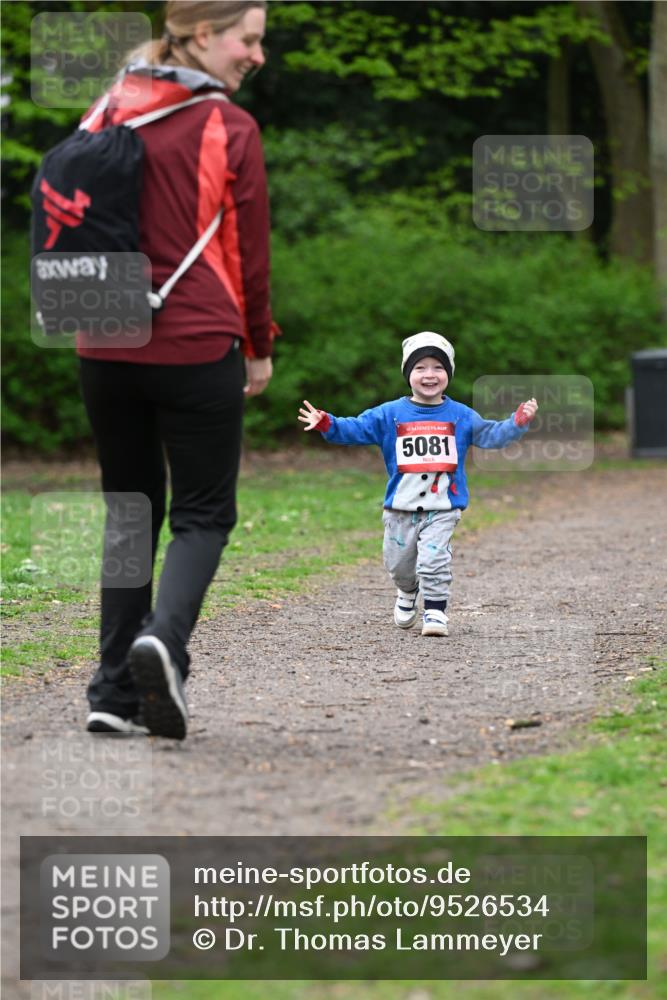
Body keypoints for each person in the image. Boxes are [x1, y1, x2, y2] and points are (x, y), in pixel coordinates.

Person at [80, 1, 278, 740]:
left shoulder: (108, 108)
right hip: (194, 341)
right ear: (202, 36)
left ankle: (110, 692)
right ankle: (162, 641)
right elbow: (250, 256)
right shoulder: (229, 127)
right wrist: (257, 344)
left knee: (130, 513)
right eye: (247, 40)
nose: (255, 56)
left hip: (101, 341)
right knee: (202, 513)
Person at [298, 332, 538, 637]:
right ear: (407, 373)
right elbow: (356, 428)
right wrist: (327, 423)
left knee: (433, 559)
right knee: (398, 565)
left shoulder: (461, 415)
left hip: (442, 506)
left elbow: (490, 435)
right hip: (400, 506)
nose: (429, 375)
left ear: (448, 374)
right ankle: (407, 591)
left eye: (438, 367)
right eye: (420, 367)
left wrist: (516, 423)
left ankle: (435, 612)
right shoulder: (389, 414)